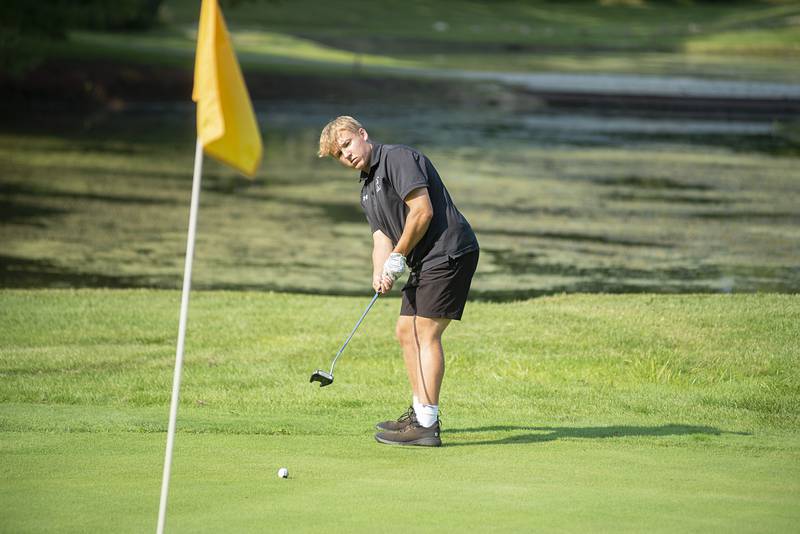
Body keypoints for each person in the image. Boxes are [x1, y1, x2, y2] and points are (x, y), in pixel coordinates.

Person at [318, 116, 479, 447]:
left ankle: (427, 425)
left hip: (448, 250)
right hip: (424, 259)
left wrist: (399, 255)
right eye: (339, 155)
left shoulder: (397, 158)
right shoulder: (367, 190)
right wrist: (381, 270)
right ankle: (420, 416)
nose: (346, 155)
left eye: (347, 144)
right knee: (406, 331)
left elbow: (422, 211)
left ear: (362, 134)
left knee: (424, 332)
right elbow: (381, 238)